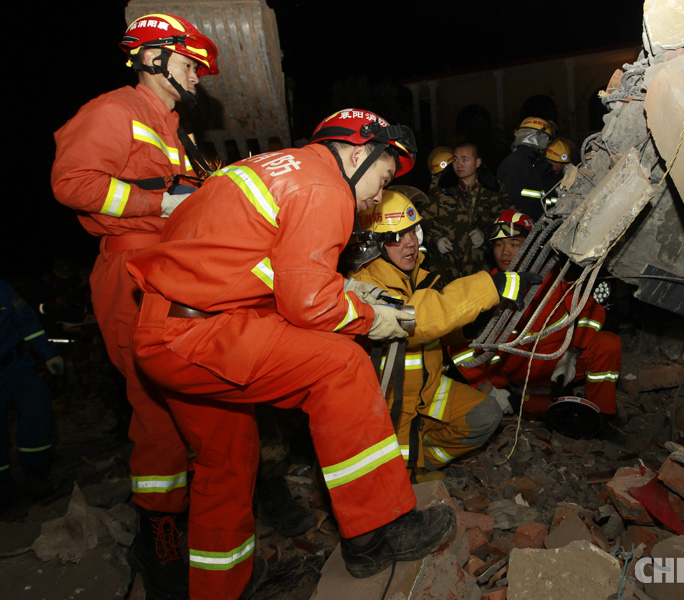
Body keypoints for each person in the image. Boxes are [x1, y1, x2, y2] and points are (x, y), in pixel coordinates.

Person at [126, 109, 455, 599]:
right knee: (340, 366)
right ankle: (376, 533)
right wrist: (369, 319)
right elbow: (309, 304)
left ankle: (220, 589)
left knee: (227, 459)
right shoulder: (324, 187)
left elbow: (249, 261)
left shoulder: (269, 167)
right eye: (383, 180)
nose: (375, 200)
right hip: (202, 335)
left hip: (167, 327)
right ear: (359, 153)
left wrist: (345, 289)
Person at [50, 14, 219, 598]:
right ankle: (159, 539)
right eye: (190, 62)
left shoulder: (173, 128)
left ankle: (198, 525)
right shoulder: (113, 111)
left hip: (173, 271)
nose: (197, 75)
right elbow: (71, 182)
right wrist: (157, 206)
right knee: (153, 406)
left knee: (192, 399)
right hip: (129, 269)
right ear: (155, 56)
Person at [350, 187, 537, 477]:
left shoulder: (419, 277)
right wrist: (491, 287)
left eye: (415, 232)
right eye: (398, 237)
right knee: (383, 477)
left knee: (484, 416)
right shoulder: (362, 287)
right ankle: (405, 472)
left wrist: (468, 328)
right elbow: (415, 320)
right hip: (385, 401)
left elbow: (437, 326)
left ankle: (422, 460)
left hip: (427, 387)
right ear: (372, 244)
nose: (411, 243)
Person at [452, 210, 622, 428]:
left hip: (561, 365)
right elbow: (456, 344)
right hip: (519, 373)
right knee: (460, 336)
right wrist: (488, 387)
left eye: (514, 244)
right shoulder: (486, 289)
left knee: (608, 343)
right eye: (499, 245)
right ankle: (515, 400)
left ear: (531, 246)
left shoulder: (556, 277)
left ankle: (602, 416)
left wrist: (572, 352)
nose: (505, 252)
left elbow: (591, 313)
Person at [1, 280, 63, 508]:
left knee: (38, 413)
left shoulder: (2, 289)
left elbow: (27, 321)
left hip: (16, 365)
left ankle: (36, 474)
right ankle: (4, 489)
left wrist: (49, 354)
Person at [420, 143, 511, 283]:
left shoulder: (494, 191)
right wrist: (436, 239)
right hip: (446, 269)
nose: (459, 165)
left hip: (482, 267)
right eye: (455, 159)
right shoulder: (441, 189)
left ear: (477, 162)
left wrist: (485, 234)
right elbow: (424, 220)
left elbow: (506, 223)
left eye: (464, 159)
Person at [496, 117, 558, 220]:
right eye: (547, 140)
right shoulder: (516, 163)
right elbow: (507, 202)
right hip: (522, 229)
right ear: (539, 139)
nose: (547, 145)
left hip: (538, 228)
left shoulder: (537, 164)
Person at [543, 137, 574, 212]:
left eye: (562, 163)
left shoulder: (562, 179)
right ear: (548, 161)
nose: (560, 166)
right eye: (556, 163)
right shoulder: (542, 178)